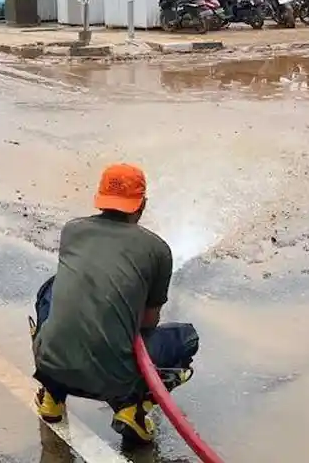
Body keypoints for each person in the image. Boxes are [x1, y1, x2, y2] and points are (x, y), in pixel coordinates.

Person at [30, 163, 199, 445]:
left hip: (49, 364)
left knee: (50, 288)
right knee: (187, 339)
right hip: (115, 380)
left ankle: (52, 397)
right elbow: (148, 322)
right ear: (141, 204)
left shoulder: (72, 230)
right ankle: (133, 406)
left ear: (100, 198)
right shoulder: (157, 249)